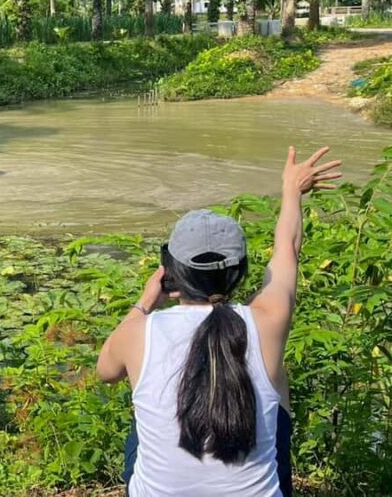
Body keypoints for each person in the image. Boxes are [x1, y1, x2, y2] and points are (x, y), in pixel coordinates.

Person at [96, 146, 342, 496]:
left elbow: (106, 372)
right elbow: (287, 247)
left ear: (170, 272)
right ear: (240, 272)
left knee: (145, 409)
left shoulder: (139, 332)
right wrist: (291, 189)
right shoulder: (267, 322)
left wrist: (145, 303)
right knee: (276, 383)